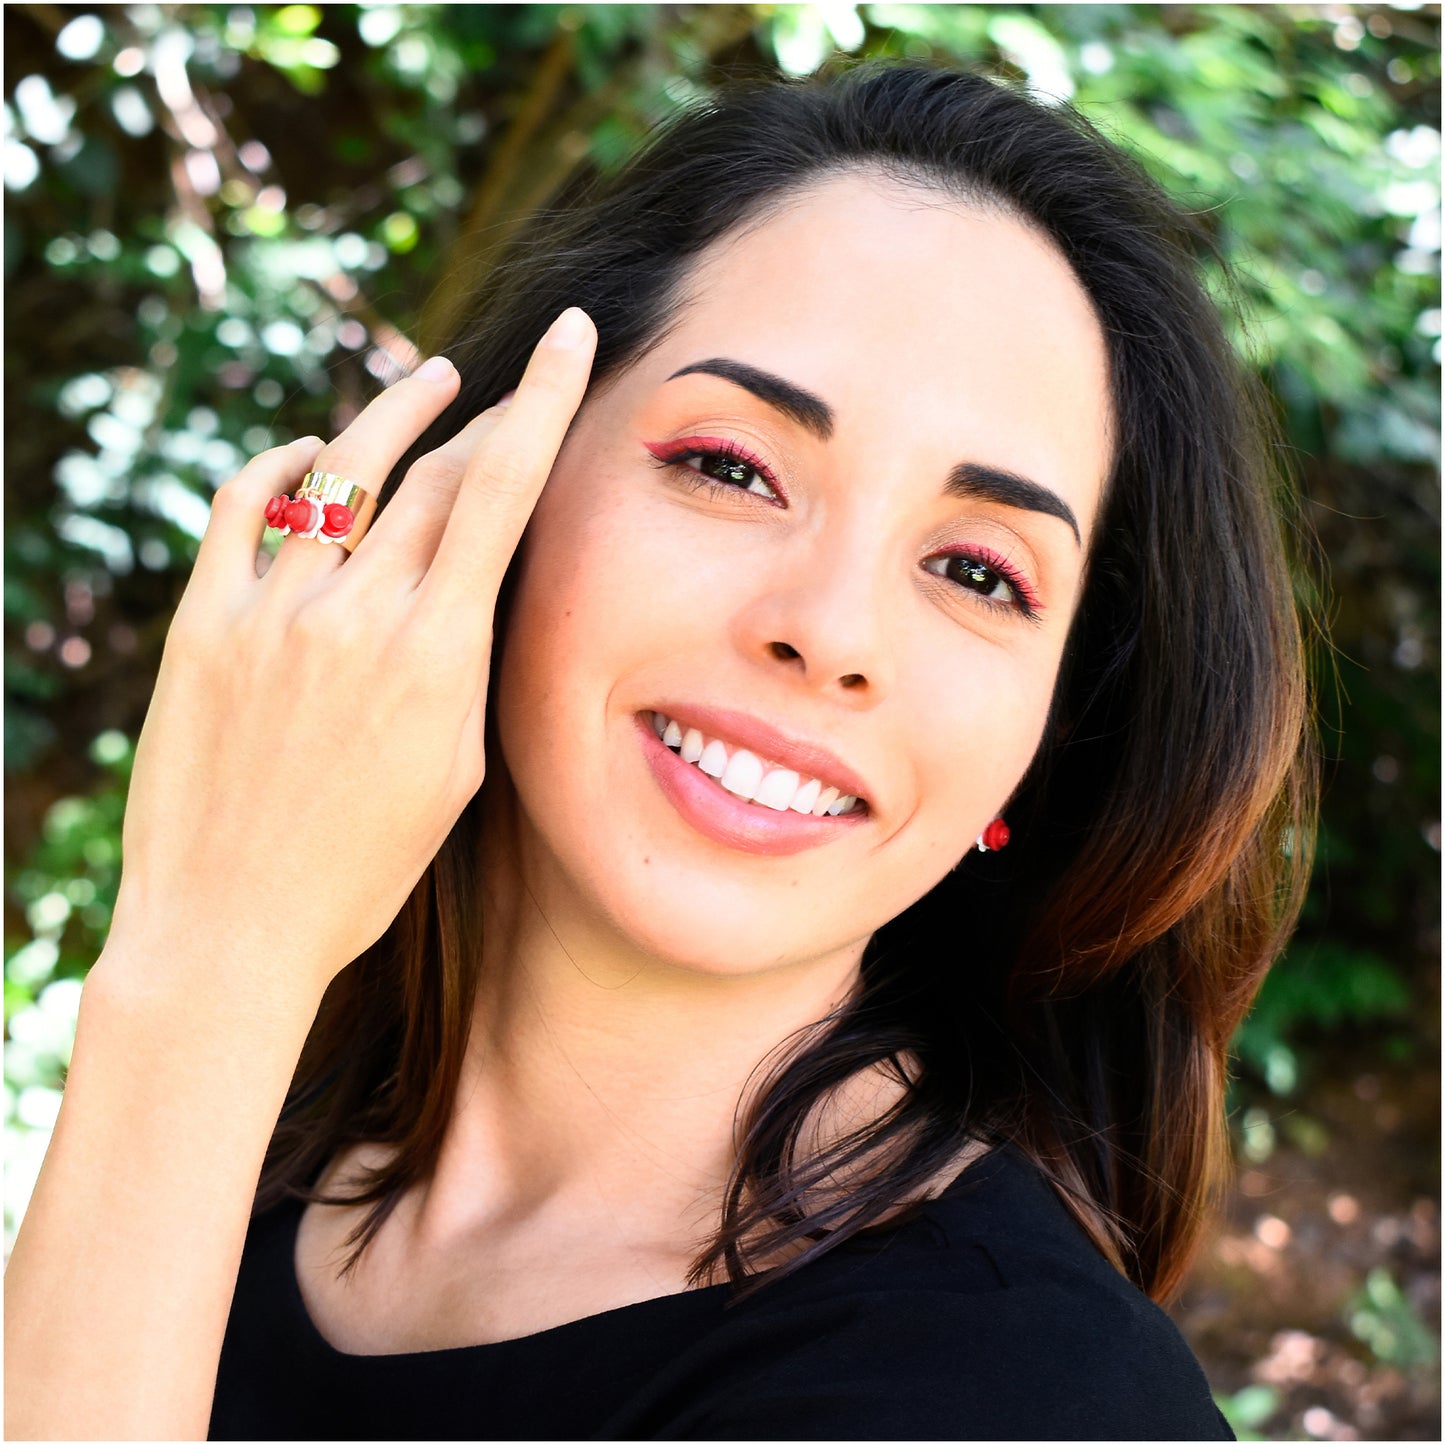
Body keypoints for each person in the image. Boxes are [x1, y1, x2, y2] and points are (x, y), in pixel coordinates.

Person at [5, 61, 1313, 1440]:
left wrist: (205, 963)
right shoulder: (246, 1144)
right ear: (499, 479)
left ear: (1040, 750)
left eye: (978, 571)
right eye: (731, 467)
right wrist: (215, 973)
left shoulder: (1027, 1393)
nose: (828, 630)